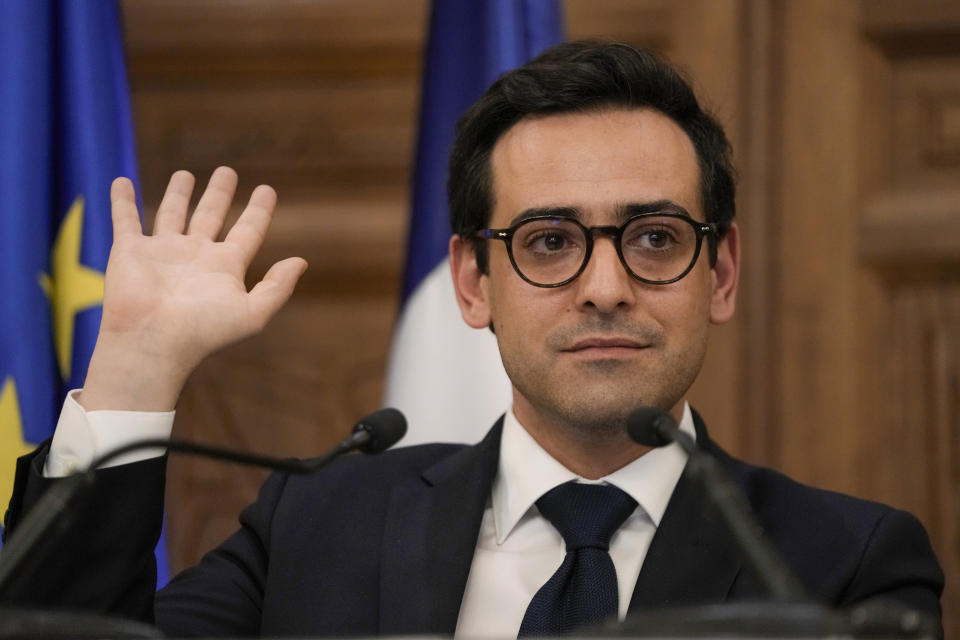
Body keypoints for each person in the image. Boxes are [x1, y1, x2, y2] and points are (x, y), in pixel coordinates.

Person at [4, 40, 943, 637]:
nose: (606, 288)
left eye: (656, 239)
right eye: (549, 243)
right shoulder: (321, 523)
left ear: (722, 273)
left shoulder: (840, 566)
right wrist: (134, 368)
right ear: (471, 281)